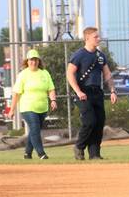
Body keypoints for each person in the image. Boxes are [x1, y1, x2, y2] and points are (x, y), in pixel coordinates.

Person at [67, 27, 118, 160]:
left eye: (98, 36)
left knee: (99, 123)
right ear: (87, 38)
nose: (98, 39)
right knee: (89, 121)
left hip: (97, 92)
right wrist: (78, 91)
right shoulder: (79, 55)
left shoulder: (100, 56)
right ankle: (79, 146)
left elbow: (107, 74)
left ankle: (95, 153)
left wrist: (112, 90)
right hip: (83, 92)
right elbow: (70, 73)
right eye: (96, 37)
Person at [7, 49, 57, 160]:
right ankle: (41, 153)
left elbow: (51, 89)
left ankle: (27, 153)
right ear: (27, 61)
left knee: (34, 130)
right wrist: (12, 110)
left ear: (38, 61)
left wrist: (53, 100)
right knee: (34, 127)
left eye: (35, 60)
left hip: (42, 108)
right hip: (28, 107)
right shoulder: (23, 74)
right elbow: (16, 93)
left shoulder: (44, 73)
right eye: (31, 60)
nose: (33, 62)